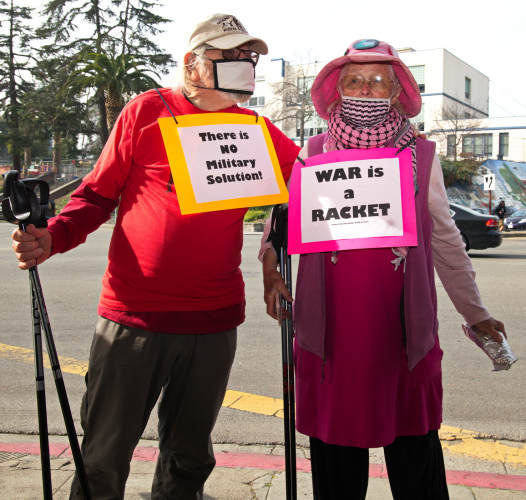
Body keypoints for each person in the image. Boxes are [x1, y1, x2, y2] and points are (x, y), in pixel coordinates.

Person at [12, 14, 300, 500]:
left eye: (247, 57)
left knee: (189, 460)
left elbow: (309, 188)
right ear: (192, 64)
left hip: (214, 320)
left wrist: (273, 260)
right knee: (102, 458)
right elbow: (96, 195)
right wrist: (52, 237)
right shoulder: (146, 111)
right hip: (134, 316)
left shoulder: (256, 129)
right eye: (228, 56)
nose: (243, 65)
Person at [260, 40, 506, 500]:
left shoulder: (421, 156)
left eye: (378, 80)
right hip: (331, 337)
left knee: (416, 462)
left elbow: (446, 240)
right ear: (337, 90)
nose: (366, 89)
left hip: (401, 334)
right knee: (336, 465)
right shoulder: (311, 153)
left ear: (396, 92)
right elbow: (282, 224)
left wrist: (475, 312)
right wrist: (271, 269)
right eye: (354, 80)